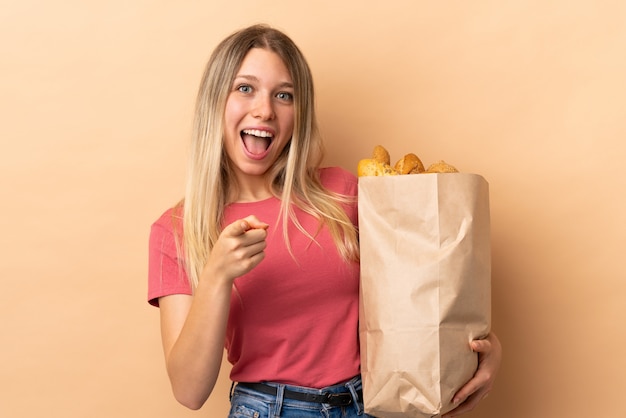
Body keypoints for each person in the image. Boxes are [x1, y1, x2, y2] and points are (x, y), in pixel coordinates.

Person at [148, 24, 501, 418]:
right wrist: (216, 275)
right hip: (271, 409)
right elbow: (189, 389)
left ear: (299, 112)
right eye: (244, 88)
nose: (265, 109)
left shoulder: (342, 193)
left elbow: (420, 292)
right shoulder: (178, 230)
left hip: (375, 402)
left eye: (284, 95)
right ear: (215, 101)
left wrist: (483, 351)